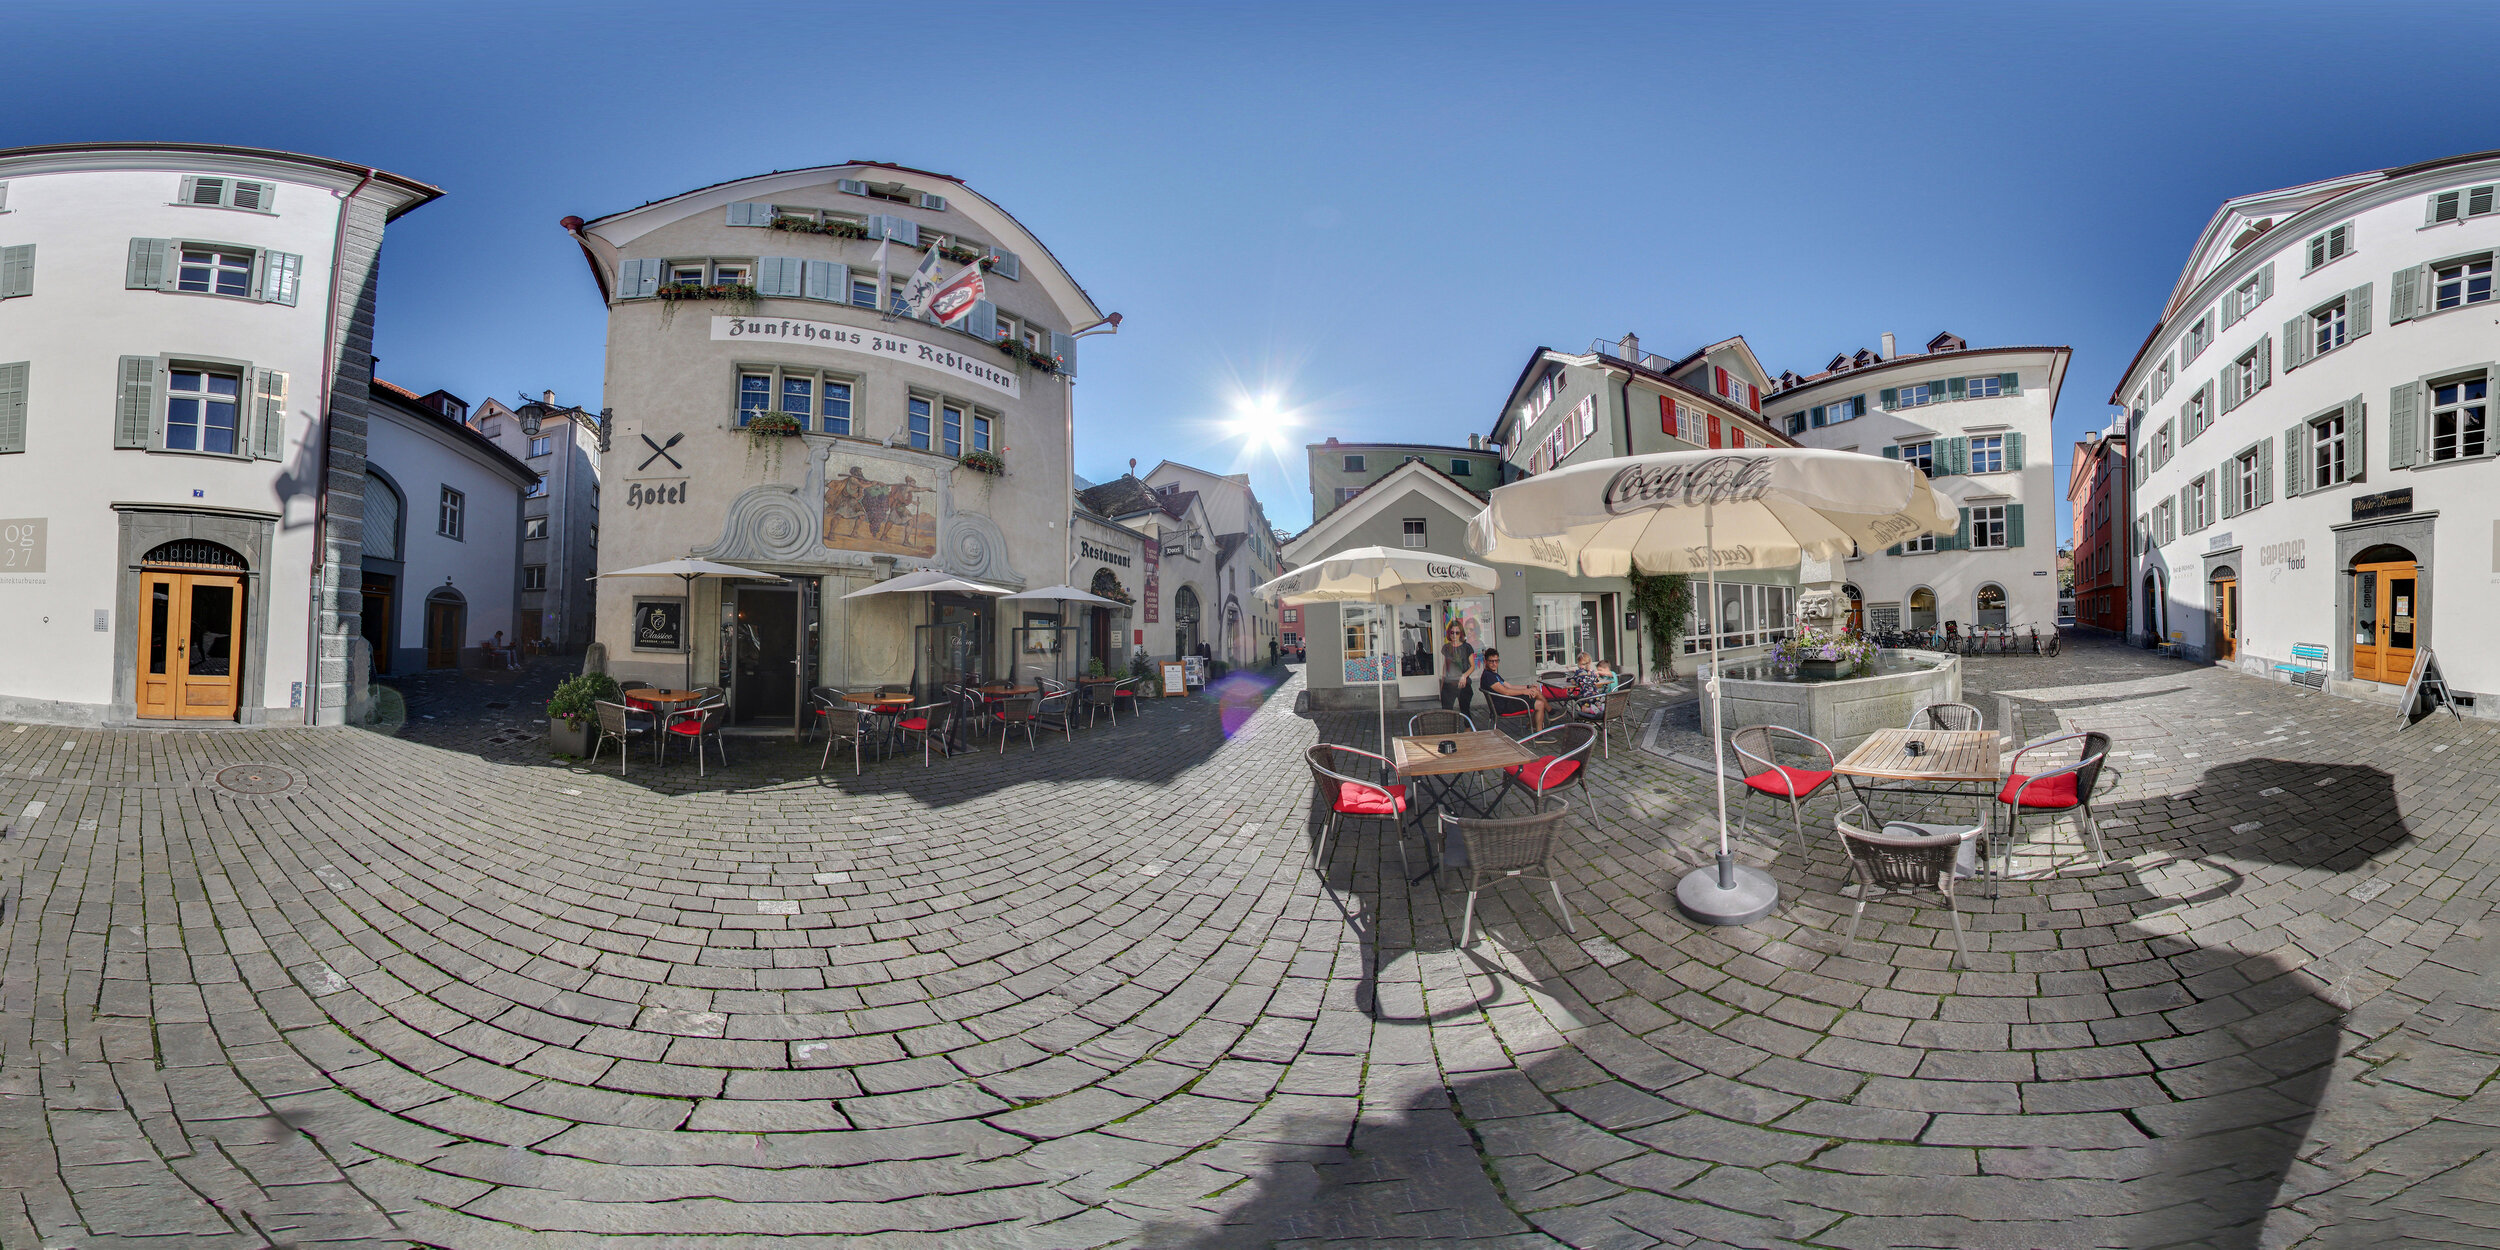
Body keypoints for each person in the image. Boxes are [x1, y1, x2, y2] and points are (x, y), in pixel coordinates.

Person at [1478, 648, 1548, 731]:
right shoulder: (1488, 676)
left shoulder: (1493, 674)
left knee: (1534, 691)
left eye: (1496, 661)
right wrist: (1524, 692)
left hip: (1507, 702)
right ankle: (1539, 734)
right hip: (1503, 707)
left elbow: (1510, 686)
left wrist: (1528, 687)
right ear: (1485, 661)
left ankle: (1537, 722)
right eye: (1491, 661)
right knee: (1539, 704)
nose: (1494, 664)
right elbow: (1506, 692)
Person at [1437, 620, 1478, 717]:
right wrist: (1442, 684)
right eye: (1452, 632)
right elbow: (1445, 666)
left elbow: (1472, 666)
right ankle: (1451, 731)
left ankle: (1467, 731)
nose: (1454, 635)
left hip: (1463, 684)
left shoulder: (1466, 647)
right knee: (1447, 713)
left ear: (1461, 634)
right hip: (1449, 684)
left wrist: (1464, 676)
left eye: (1457, 633)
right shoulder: (1446, 647)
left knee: (1465, 711)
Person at [1568, 650, 1614, 718]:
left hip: (1586, 696)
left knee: (1583, 708)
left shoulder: (1579, 672)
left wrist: (1572, 680)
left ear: (1579, 663)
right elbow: (1596, 681)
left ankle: (1591, 710)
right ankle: (1601, 708)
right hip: (1596, 694)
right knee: (1597, 703)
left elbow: (1574, 682)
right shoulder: (1592, 672)